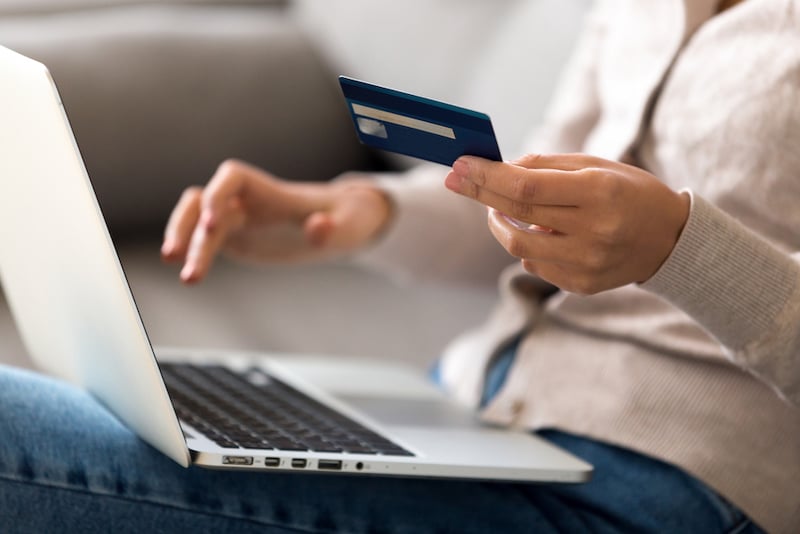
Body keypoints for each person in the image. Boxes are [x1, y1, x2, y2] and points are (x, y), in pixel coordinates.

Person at [1, 0, 797, 532]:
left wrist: (681, 252)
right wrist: (358, 216)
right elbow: (541, 198)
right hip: (475, 414)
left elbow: (658, 237)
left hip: (666, 492)